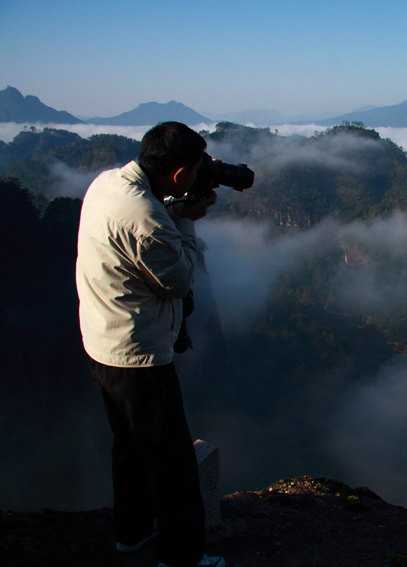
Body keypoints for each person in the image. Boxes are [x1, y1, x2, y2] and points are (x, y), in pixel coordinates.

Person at [76, 122, 223, 567]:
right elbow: (177, 282)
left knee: (129, 446)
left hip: (102, 343)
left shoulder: (107, 182)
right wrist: (185, 220)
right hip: (139, 356)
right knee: (172, 463)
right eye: (197, 170)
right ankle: (181, 559)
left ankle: (132, 533)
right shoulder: (148, 217)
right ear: (180, 175)